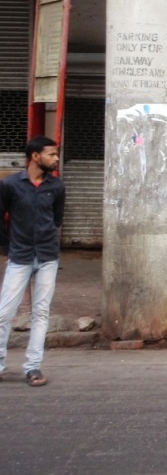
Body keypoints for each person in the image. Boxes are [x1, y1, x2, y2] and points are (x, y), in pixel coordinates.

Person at [0, 136, 65, 387]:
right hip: (20, 256)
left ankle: (33, 367)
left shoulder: (56, 187)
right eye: (51, 154)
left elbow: (56, 219)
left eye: (56, 154)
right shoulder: (10, 185)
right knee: (4, 313)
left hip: (48, 256)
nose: (56, 158)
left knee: (40, 312)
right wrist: (8, 247)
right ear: (35, 156)